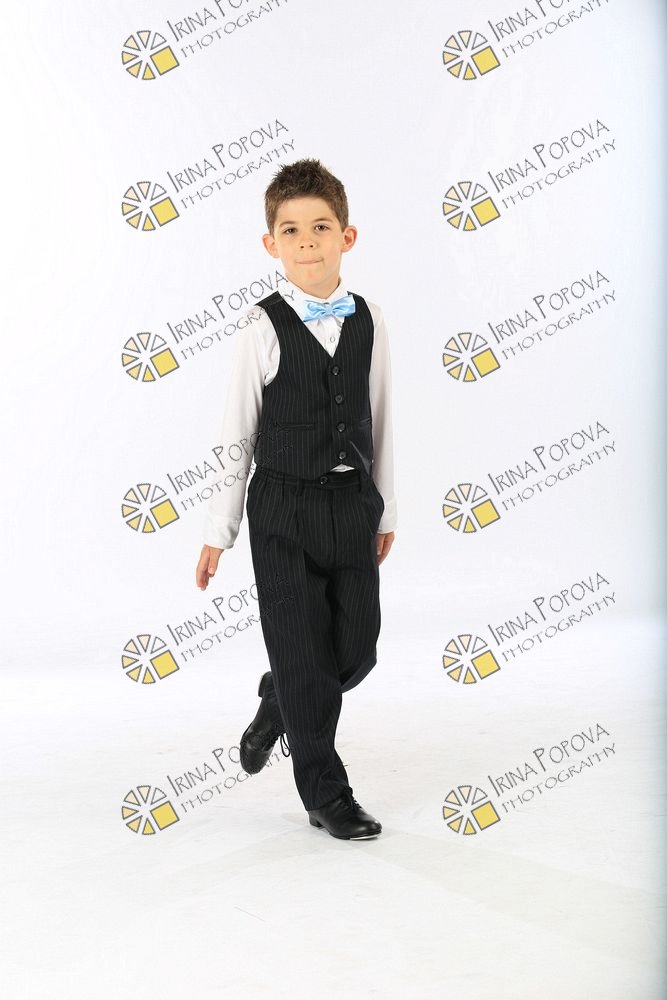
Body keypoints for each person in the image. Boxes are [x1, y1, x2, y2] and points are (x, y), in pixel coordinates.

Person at [195, 158, 397, 840]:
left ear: (347, 236)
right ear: (270, 243)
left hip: (351, 506)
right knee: (306, 659)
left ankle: (277, 700)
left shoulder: (369, 320)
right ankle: (326, 794)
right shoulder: (260, 328)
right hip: (282, 509)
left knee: (356, 650)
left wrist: (386, 508)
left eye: (321, 227)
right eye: (291, 230)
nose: (307, 241)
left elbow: (382, 418)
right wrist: (218, 531)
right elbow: (236, 434)